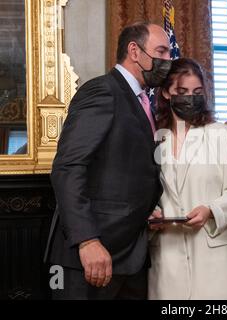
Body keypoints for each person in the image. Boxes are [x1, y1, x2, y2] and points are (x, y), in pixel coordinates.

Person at [44, 23, 171, 300]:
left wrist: (144, 210)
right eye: (161, 51)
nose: (167, 61)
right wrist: (87, 240)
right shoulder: (102, 91)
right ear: (134, 51)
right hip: (89, 256)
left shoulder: (143, 101)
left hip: (130, 255)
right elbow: (68, 167)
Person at [148, 58, 227, 300]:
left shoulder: (220, 135)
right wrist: (152, 214)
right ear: (166, 93)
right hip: (169, 267)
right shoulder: (153, 138)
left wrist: (211, 209)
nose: (190, 98)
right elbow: (146, 192)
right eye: (182, 91)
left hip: (220, 272)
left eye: (197, 92)